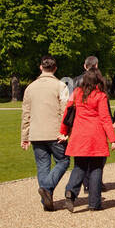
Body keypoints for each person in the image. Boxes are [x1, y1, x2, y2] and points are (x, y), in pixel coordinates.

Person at [61, 66, 115, 212]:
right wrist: (112, 138)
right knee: (96, 169)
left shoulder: (77, 93)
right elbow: (105, 118)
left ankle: (71, 192)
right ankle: (94, 203)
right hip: (95, 135)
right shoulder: (100, 96)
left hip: (79, 134)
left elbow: (68, 113)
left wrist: (63, 131)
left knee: (79, 166)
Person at [20, 56, 70, 211]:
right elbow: (65, 111)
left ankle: (46, 202)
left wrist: (24, 137)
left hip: (36, 133)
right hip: (55, 133)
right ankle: (47, 189)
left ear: (40, 67)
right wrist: (66, 131)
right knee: (63, 161)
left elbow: (26, 114)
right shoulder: (60, 86)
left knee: (43, 166)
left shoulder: (30, 88)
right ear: (55, 69)